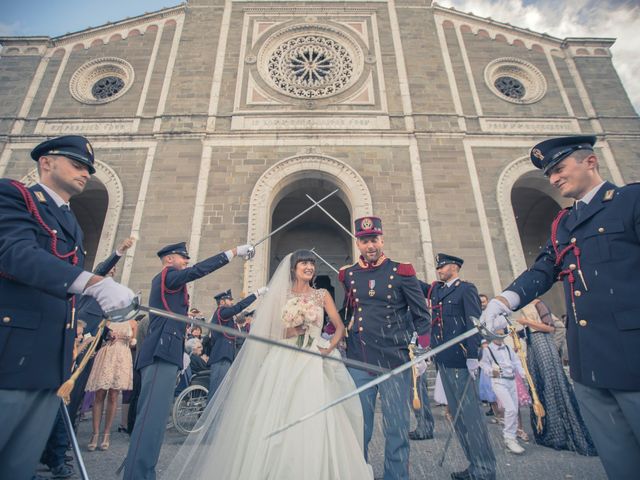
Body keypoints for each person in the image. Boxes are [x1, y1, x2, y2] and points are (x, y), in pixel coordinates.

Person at [482, 135, 640, 479]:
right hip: (588, 365)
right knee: (619, 462)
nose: (553, 178)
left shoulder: (631, 201)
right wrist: (503, 300)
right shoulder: (563, 223)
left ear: (590, 162)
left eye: (559, 169)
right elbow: (543, 269)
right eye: (549, 174)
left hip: (634, 356)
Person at [163, 250, 373, 479]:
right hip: (285, 356)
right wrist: (294, 329)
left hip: (315, 355)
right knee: (278, 410)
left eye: (311, 263)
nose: (309, 267)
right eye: (304, 263)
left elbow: (339, 326)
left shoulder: (322, 295)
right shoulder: (281, 295)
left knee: (321, 410)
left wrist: (329, 347)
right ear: (293, 268)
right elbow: (272, 330)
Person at [0, 135, 135, 480]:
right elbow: (15, 254)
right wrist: (94, 283)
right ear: (47, 162)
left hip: (49, 362)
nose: (85, 173)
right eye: (77, 165)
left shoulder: (70, 222)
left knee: (19, 465)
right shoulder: (16, 196)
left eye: (88, 169)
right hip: (12, 358)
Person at [123, 241, 255, 480]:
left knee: (156, 421)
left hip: (167, 352)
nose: (186, 261)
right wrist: (233, 253)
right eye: (182, 258)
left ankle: (143, 471)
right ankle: (138, 474)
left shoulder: (174, 281)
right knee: (150, 422)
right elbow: (197, 271)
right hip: (161, 352)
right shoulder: (169, 276)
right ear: (169, 259)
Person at [339, 217, 430, 480]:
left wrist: (422, 350)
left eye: (374, 240)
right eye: (365, 241)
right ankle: (359, 473)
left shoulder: (402, 271)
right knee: (359, 425)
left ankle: (396, 476)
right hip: (360, 360)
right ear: (358, 243)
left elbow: (422, 315)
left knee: (397, 428)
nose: (370, 245)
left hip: (394, 360)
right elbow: (348, 311)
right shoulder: (348, 275)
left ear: (382, 240)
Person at [426, 253, 496, 480]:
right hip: (443, 359)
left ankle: (485, 468)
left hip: (461, 359)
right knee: (457, 416)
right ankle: (474, 464)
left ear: (455, 267)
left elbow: (474, 323)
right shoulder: (438, 290)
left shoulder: (466, 289)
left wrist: (473, 355)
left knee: (471, 417)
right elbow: (418, 288)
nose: (439, 269)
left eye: (443, 266)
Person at [517, 300, 596, 455]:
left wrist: (526, 322)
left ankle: (564, 431)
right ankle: (551, 431)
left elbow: (550, 327)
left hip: (543, 344)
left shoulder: (539, 304)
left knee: (551, 383)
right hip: (533, 345)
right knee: (539, 385)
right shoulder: (522, 307)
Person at [84, 317, 137, 451]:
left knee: (114, 395)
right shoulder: (107, 320)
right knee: (100, 393)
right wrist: (108, 335)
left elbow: (133, 343)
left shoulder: (132, 323)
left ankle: (106, 434)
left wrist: (131, 340)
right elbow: (97, 337)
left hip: (122, 356)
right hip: (107, 354)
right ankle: (95, 433)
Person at [207, 288, 265, 399]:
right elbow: (238, 307)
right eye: (229, 300)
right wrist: (256, 294)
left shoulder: (225, 315)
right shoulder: (221, 311)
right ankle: (210, 416)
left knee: (222, 391)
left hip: (226, 355)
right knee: (216, 392)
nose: (232, 302)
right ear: (222, 302)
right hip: (221, 356)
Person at [480, 331, 526, 455]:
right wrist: (491, 371)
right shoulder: (488, 350)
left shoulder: (508, 348)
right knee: (510, 409)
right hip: (499, 381)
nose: (500, 338)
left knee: (514, 409)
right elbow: (483, 364)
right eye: (497, 335)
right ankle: (509, 438)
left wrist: (522, 372)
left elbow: (516, 362)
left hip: (511, 381)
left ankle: (513, 435)